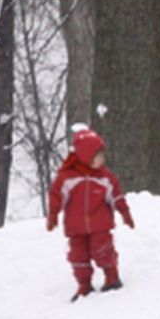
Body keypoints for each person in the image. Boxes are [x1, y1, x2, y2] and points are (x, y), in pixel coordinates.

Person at [47, 126, 135, 301]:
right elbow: (56, 196)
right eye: (97, 156)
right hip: (76, 226)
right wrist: (53, 215)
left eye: (102, 156)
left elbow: (116, 195)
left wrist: (124, 212)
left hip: (100, 224)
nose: (102, 160)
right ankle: (84, 285)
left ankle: (112, 277)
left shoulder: (105, 177)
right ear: (85, 156)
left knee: (102, 250)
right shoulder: (68, 178)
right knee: (77, 256)